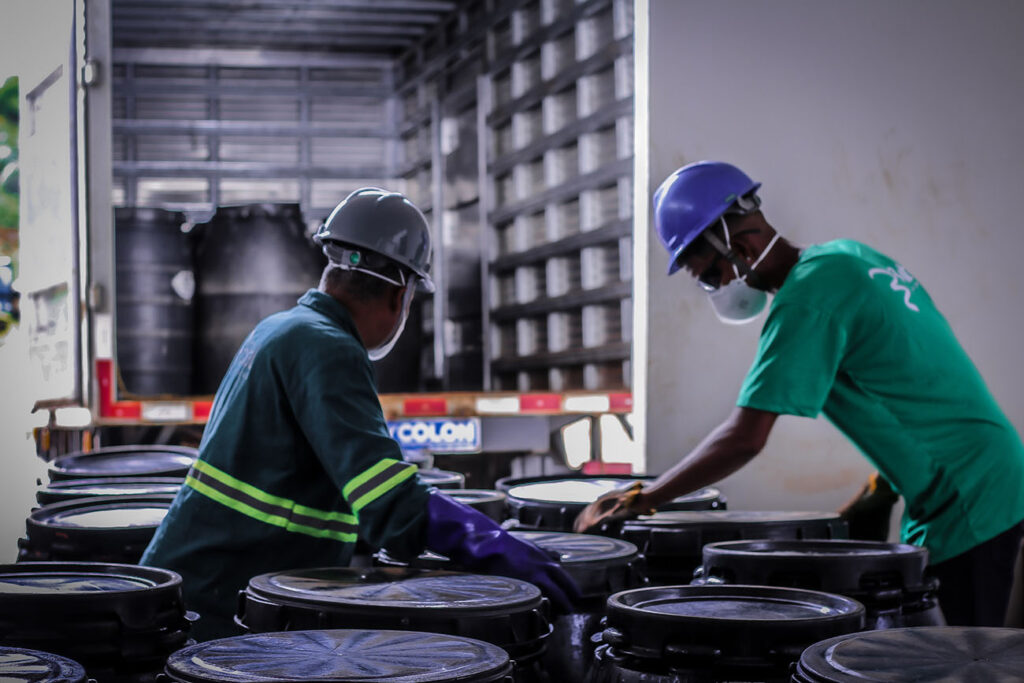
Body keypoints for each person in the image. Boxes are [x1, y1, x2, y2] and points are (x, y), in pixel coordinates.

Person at [574, 161, 1024, 627]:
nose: (717, 288)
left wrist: (644, 498)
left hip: (969, 491)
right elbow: (915, 384)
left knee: (968, 659)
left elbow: (744, 437)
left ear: (739, 247)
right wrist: (882, 484)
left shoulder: (805, 300)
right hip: (978, 469)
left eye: (709, 275)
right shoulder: (848, 257)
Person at [142, 188, 578, 640]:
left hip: (196, 585)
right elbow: (387, 498)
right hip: (215, 601)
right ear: (399, 294)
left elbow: (325, 475)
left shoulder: (282, 328)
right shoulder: (327, 348)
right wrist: (495, 546)